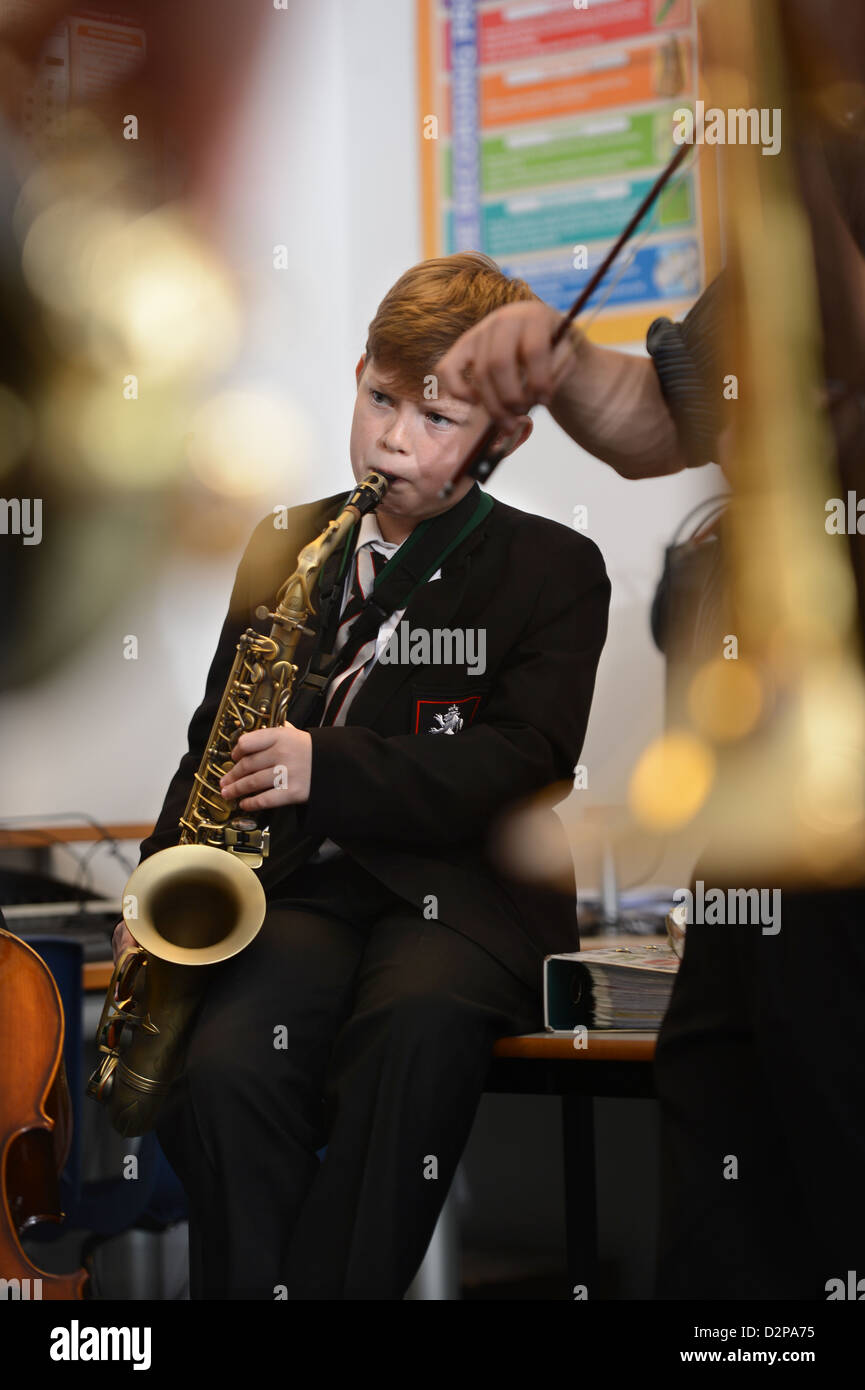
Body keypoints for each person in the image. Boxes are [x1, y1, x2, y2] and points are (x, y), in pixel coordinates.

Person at [435, 0, 865, 1302]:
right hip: (768, 787)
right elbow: (650, 418)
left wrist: (790, 147)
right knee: (722, 1115)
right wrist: (554, 360)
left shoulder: (811, 175)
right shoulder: (804, 195)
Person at [112, 251, 611, 1299]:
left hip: (463, 894)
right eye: (379, 399)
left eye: (434, 421)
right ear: (357, 374)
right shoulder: (285, 540)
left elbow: (528, 760)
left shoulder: (552, 567)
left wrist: (324, 764)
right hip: (301, 887)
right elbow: (217, 736)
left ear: (501, 440)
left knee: (412, 1031)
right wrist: (155, 883)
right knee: (226, 1070)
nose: (392, 436)